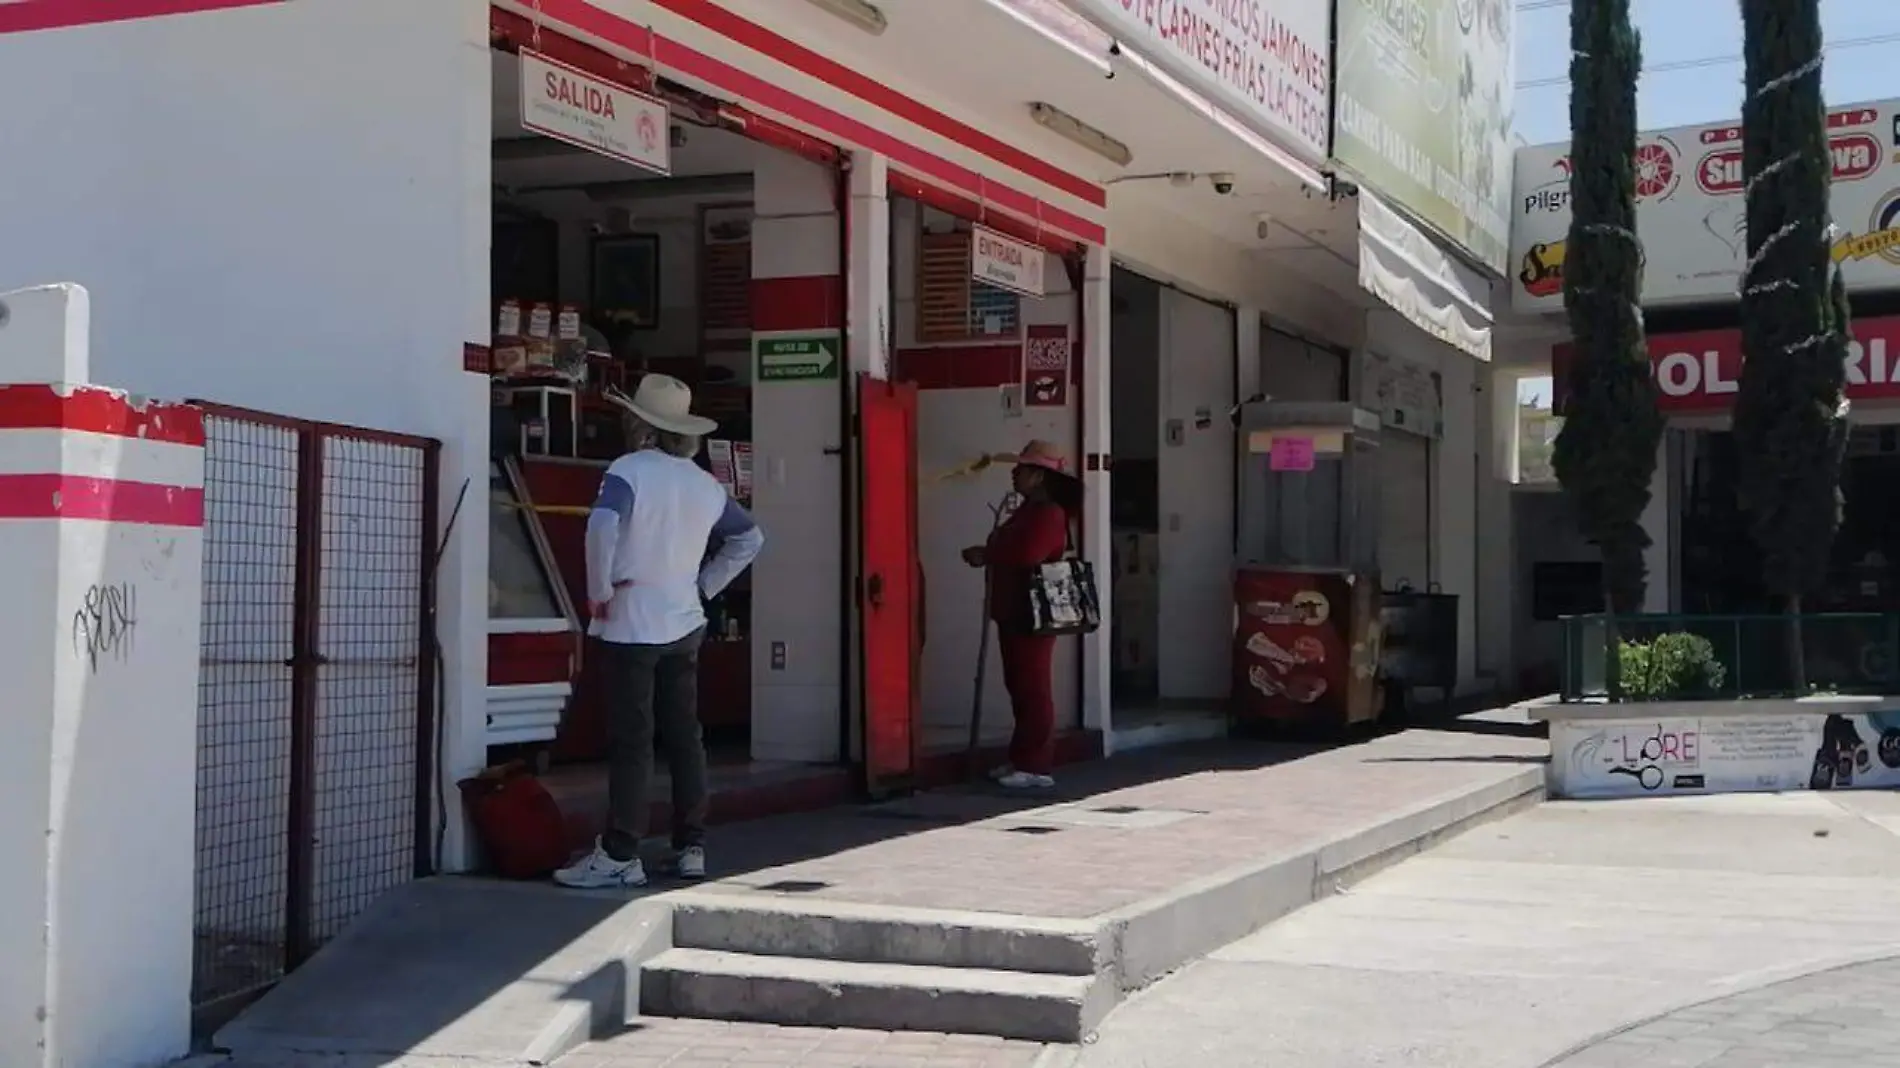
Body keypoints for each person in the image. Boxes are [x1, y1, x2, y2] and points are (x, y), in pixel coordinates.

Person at [555, 373, 764, 889]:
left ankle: (622, 852)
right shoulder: (703, 484)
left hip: (631, 620)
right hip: (684, 619)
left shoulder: (628, 470)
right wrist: (704, 587)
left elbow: (602, 526)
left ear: (638, 422)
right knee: (686, 736)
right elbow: (750, 538)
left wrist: (599, 589)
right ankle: (691, 844)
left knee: (633, 740)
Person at [961, 440, 1083, 790]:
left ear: (1039, 476)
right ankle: (1021, 756)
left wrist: (988, 553)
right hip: (1014, 609)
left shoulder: (1048, 513)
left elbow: (1028, 552)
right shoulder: (1029, 509)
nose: (1015, 473)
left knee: (1033, 688)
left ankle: (1036, 764)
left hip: (1032, 612)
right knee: (1018, 685)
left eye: (1022, 469)